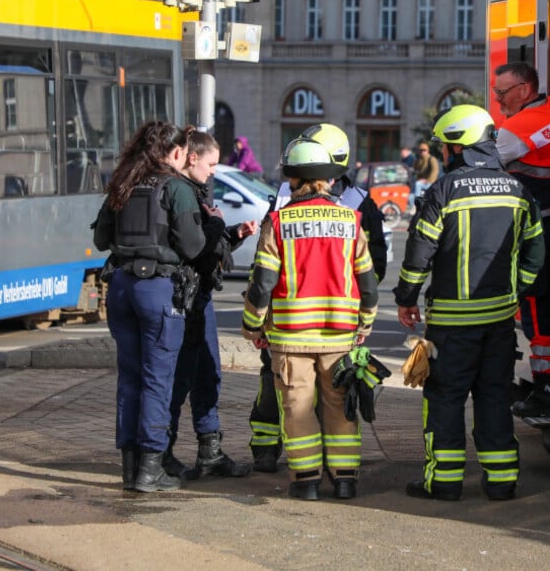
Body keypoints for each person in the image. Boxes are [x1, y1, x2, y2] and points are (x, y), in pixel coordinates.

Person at [394, 104, 545, 502]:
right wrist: (517, 292)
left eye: (446, 147)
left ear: (459, 147)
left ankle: (443, 482)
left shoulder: (443, 191)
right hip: (498, 321)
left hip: (451, 325)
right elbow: (535, 254)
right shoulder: (519, 191)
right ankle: (501, 481)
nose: (443, 154)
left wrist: (406, 298)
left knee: (445, 398)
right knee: (494, 396)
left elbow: (418, 255)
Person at [242, 139, 378, 501]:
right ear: (327, 179)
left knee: (297, 408)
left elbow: (262, 284)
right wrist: (365, 323)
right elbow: (368, 281)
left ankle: (306, 483)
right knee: (340, 407)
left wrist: (253, 326)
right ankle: (345, 480)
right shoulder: (351, 220)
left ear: (292, 179)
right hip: (339, 338)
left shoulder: (279, 222)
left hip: (291, 338)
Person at [92, 120, 208, 493]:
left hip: (121, 287)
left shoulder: (122, 183)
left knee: (129, 379)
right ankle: (150, 469)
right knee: (158, 380)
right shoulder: (176, 188)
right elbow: (193, 247)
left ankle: (130, 467)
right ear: (176, 152)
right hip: (157, 290)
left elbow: (100, 239)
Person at [162, 128, 255, 480]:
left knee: (207, 375)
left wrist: (231, 233)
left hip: (198, 298)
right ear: (191, 157)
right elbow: (196, 248)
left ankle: (210, 451)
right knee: (179, 379)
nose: (215, 170)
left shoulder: (194, 192)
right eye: (211, 163)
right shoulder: (180, 193)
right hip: (184, 300)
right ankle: (164, 452)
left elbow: (205, 243)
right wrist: (218, 225)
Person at [493, 61, 550, 418]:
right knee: (542, 291)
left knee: (532, 301)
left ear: (524, 90)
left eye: (502, 93)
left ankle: (548, 387)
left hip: (539, 229)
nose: (498, 101)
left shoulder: (513, 131)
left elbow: (483, 167)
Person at [412, 141, 440, 205]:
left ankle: (417, 202)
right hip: (421, 181)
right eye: (421, 150)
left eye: (424, 150)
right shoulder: (418, 160)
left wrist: (427, 180)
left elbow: (435, 171)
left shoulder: (432, 159)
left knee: (418, 184)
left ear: (427, 151)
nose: (422, 152)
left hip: (430, 183)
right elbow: (415, 170)